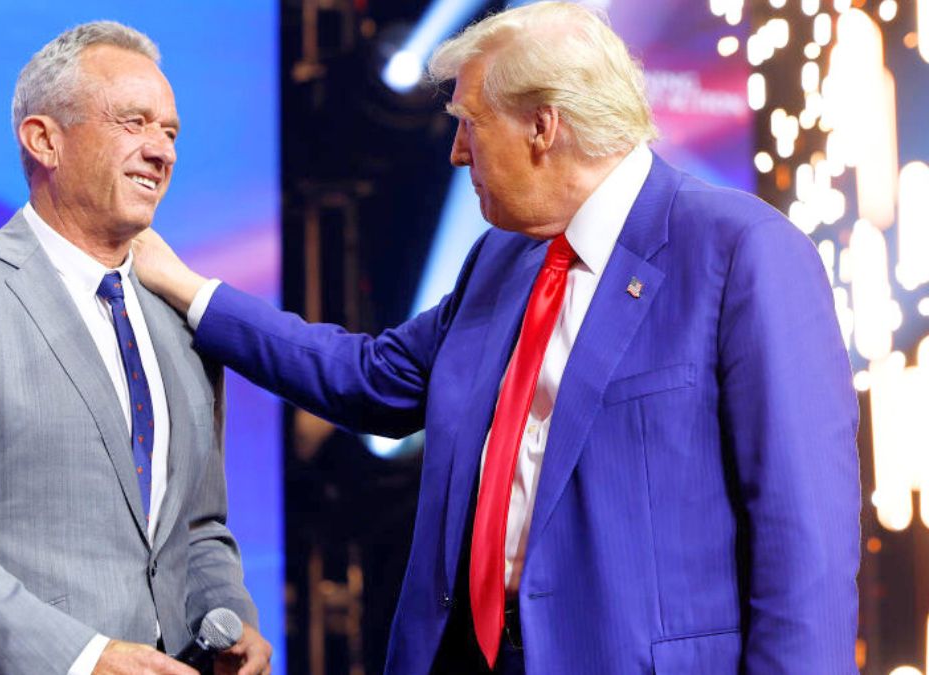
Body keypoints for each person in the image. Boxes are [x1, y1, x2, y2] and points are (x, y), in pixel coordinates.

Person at [131, 3, 859, 674]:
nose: (455, 152)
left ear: (543, 126)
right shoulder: (501, 259)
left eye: (469, 123)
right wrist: (191, 291)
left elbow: (808, 551)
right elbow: (369, 378)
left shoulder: (740, 253)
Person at [0, 22, 271, 675]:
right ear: (44, 138)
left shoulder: (179, 321)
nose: (160, 151)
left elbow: (198, 525)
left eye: (170, 132)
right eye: (133, 122)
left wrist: (230, 614)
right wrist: (81, 658)